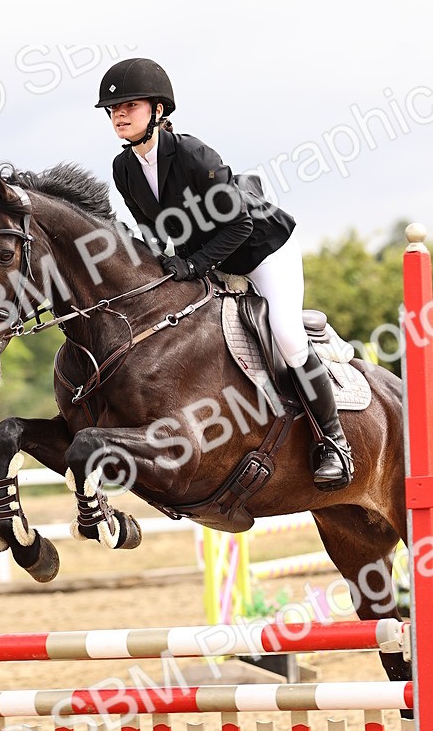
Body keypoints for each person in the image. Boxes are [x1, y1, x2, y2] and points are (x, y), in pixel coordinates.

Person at [95, 57, 353, 490]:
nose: (119, 114)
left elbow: (240, 225)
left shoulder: (195, 155)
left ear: (158, 111)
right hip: (211, 258)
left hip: (262, 251)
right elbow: (153, 230)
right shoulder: (124, 169)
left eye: (130, 105)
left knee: (286, 333)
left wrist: (193, 265)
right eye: (113, 109)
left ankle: (334, 441)